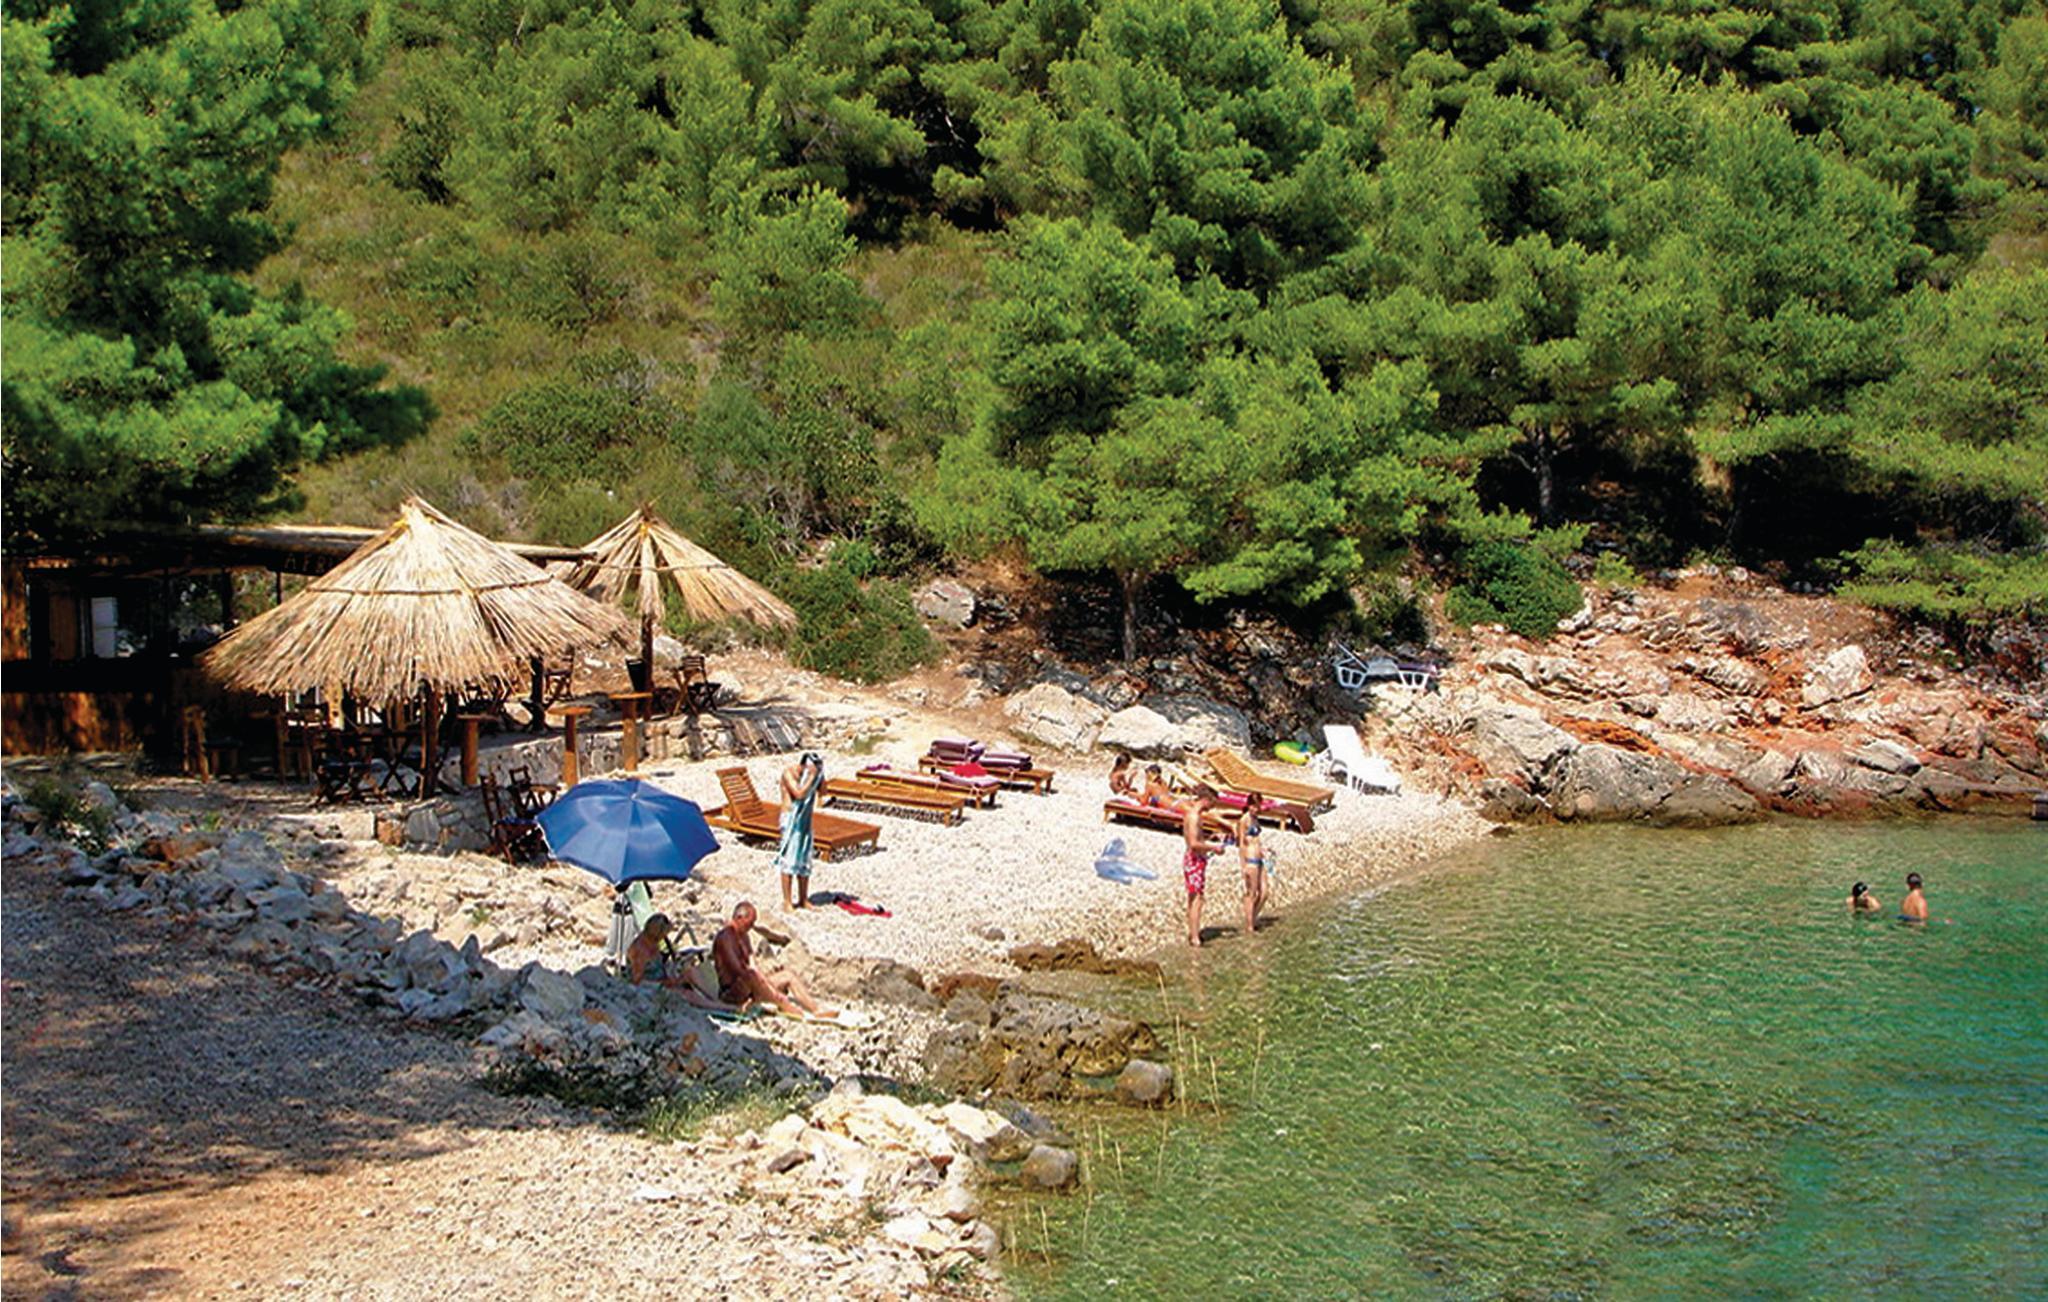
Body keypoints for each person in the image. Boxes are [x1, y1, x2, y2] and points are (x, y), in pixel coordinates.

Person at [712, 901, 836, 1019]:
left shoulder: (744, 936)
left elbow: (753, 964)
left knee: (787, 975)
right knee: (751, 976)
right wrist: (763, 985)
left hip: (750, 985)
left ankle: (815, 1009)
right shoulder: (726, 938)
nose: (751, 927)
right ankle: (782, 1002)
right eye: (749, 923)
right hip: (732, 991)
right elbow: (737, 970)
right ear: (739, 918)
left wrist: (765, 983)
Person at [625, 914, 731, 1010]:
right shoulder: (640, 950)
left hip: (663, 977)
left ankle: (716, 999)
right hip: (649, 987)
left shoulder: (653, 943)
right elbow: (636, 981)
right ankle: (724, 1007)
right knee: (686, 994)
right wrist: (666, 982)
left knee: (690, 971)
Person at [775, 752, 823, 910]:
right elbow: (799, 794)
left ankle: (803, 899)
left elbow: (823, 793)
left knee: (804, 860)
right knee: (789, 860)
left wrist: (820, 777)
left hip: (805, 820)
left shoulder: (812, 776)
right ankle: (787, 901)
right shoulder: (788, 773)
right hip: (790, 819)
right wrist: (811, 777)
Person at [1181, 786, 1225, 948]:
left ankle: (1193, 933)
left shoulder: (1192, 815)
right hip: (1194, 860)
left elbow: (1196, 839)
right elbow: (1193, 844)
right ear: (1206, 800)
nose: (1212, 807)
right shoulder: (1194, 817)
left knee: (1194, 897)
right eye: (1212, 804)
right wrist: (1214, 848)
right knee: (1197, 899)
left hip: (1194, 859)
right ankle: (1195, 937)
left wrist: (1209, 838)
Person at [1237, 792, 1269, 936]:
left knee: (1264, 892)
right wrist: (1243, 865)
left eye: (1258, 806)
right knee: (1251, 893)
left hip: (1259, 858)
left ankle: (1252, 918)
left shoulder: (1256, 819)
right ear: (1249, 805)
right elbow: (1241, 844)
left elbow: (1256, 839)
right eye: (1253, 806)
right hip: (1250, 860)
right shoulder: (1244, 820)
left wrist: (1263, 849)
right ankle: (1250, 926)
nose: (1256, 809)